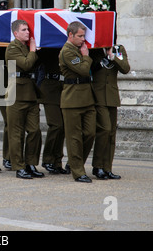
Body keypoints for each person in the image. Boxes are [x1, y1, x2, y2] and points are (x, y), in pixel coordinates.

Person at [5, 19, 44, 179]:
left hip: (30, 93)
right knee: (16, 132)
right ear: (16, 33)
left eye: (28, 29)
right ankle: (19, 166)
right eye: (24, 30)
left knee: (34, 130)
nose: (28, 32)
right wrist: (34, 51)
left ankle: (30, 163)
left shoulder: (27, 48)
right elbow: (27, 64)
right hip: (16, 94)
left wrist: (34, 51)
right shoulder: (12, 48)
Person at [59, 21, 96, 183]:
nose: (83, 39)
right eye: (80, 36)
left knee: (90, 133)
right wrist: (86, 57)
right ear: (70, 35)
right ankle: (78, 171)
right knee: (74, 137)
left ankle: (74, 162)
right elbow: (82, 70)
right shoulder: (67, 51)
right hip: (72, 99)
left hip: (87, 98)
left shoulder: (78, 49)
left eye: (84, 36)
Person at [90, 44, 130, 179]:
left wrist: (113, 57)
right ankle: (98, 166)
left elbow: (125, 68)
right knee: (104, 129)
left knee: (111, 133)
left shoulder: (118, 49)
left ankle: (107, 167)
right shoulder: (93, 49)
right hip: (98, 95)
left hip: (112, 96)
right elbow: (89, 69)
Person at [37, 48, 70, 174]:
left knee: (62, 127)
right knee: (56, 125)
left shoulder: (67, 47)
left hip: (63, 87)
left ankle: (57, 161)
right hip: (49, 87)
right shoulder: (48, 46)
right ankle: (48, 159)